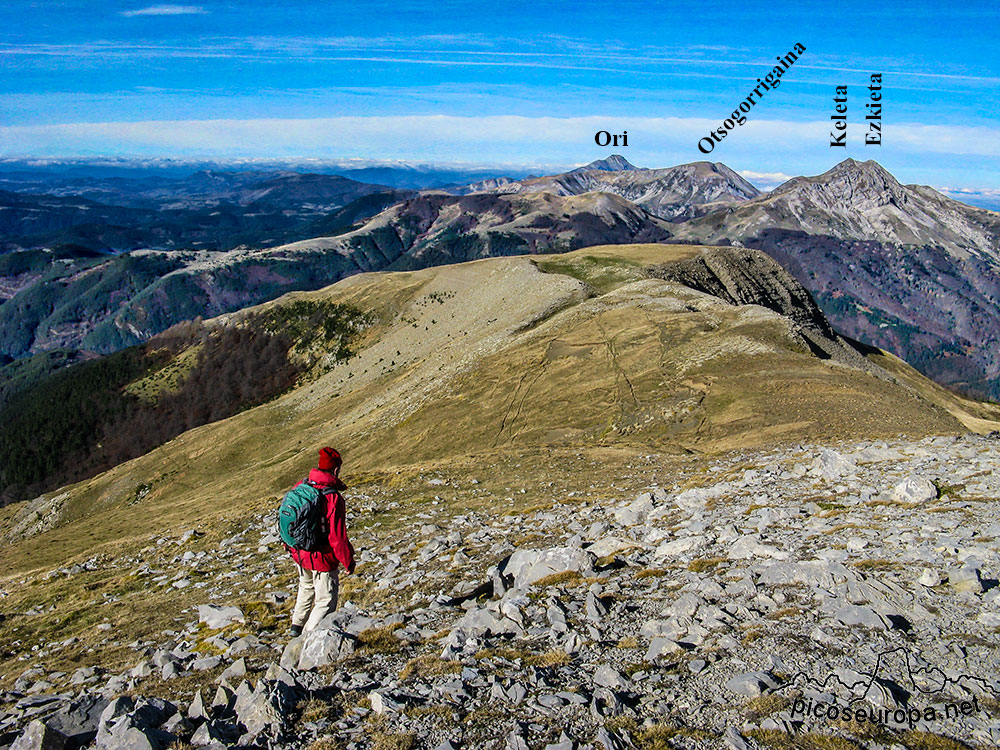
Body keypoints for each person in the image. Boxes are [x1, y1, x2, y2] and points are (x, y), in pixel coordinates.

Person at [286, 447, 356, 636]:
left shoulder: (302, 486)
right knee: (325, 600)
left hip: (300, 551)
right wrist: (348, 561)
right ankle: (308, 639)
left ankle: (296, 626)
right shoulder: (332, 497)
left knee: (306, 586)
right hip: (321, 557)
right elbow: (337, 537)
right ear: (335, 470)